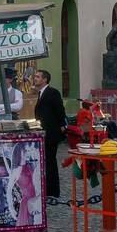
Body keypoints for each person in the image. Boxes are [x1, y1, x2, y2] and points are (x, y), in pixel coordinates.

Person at [32, 69, 68, 199]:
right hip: (44, 133)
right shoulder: (41, 93)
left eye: (37, 77)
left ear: (44, 79)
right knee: (46, 161)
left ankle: (53, 191)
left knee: (51, 162)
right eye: (35, 76)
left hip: (51, 134)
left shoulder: (52, 92)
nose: (35, 78)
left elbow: (60, 110)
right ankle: (48, 188)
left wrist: (62, 126)